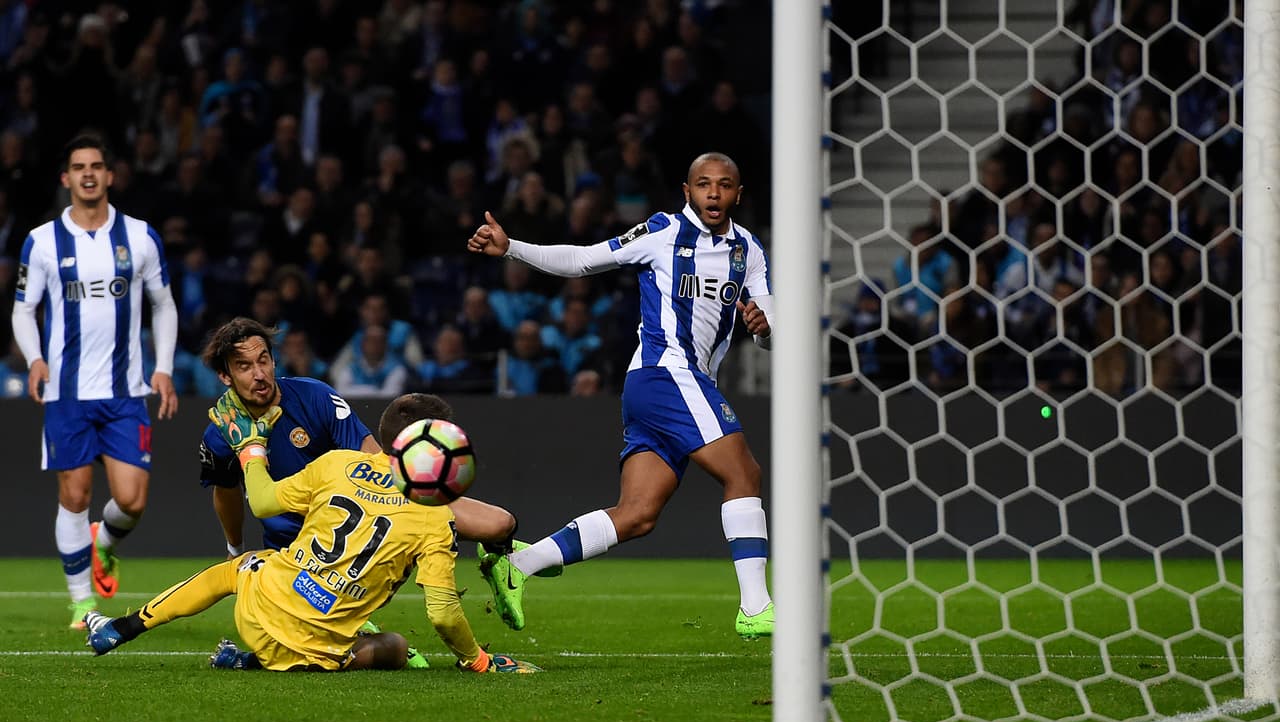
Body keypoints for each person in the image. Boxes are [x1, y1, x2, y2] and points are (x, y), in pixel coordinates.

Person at [466, 151, 776, 638]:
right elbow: (584, 259)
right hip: (666, 373)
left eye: (724, 184)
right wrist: (512, 249)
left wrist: (763, 328)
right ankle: (756, 607)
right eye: (703, 183)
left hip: (676, 385)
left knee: (637, 515)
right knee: (744, 473)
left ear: (739, 194)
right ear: (687, 191)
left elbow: (769, 328)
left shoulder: (749, 251)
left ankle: (517, 566)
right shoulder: (662, 231)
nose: (713, 192)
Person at [84, 392, 539, 675]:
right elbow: (441, 614)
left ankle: (123, 628)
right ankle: (261, 660)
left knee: (239, 568)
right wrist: (478, 660)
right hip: (320, 649)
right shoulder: (436, 516)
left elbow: (262, 503)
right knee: (396, 648)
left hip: (259, 610)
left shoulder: (337, 464)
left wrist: (251, 448)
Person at [197, 317, 541, 658]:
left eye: (263, 361)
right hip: (297, 554)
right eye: (244, 366)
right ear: (226, 376)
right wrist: (234, 547)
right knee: (385, 647)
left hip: (362, 523)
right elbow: (225, 491)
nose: (258, 374)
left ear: (274, 360)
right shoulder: (221, 433)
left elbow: (374, 458)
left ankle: (502, 565)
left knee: (499, 524)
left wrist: (407, 510)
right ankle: (353, 629)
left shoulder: (314, 396)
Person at [10, 133, 179, 629]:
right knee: (75, 495)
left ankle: (102, 543)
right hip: (67, 393)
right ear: (66, 178)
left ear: (110, 176)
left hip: (125, 392)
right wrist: (35, 359)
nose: (88, 174)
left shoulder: (140, 237)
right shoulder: (42, 241)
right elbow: (23, 310)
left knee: (132, 500)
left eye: (96, 166)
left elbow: (163, 304)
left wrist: (164, 367)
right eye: (79, 167)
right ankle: (82, 604)